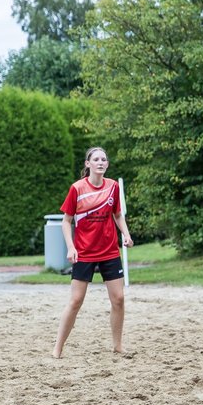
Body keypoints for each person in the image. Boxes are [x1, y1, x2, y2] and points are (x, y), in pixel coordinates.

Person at [53, 147, 134, 358]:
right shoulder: (77, 188)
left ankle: (118, 345)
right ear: (87, 163)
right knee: (76, 300)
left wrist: (125, 234)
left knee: (118, 299)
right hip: (84, 253)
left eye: (104, 159)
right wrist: (71, 247)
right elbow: (66, 221)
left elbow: (117, 215)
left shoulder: (113, 187)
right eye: (96, 159)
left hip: (109, 251)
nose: (100, 162)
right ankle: (57, 348)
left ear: (107, 164)